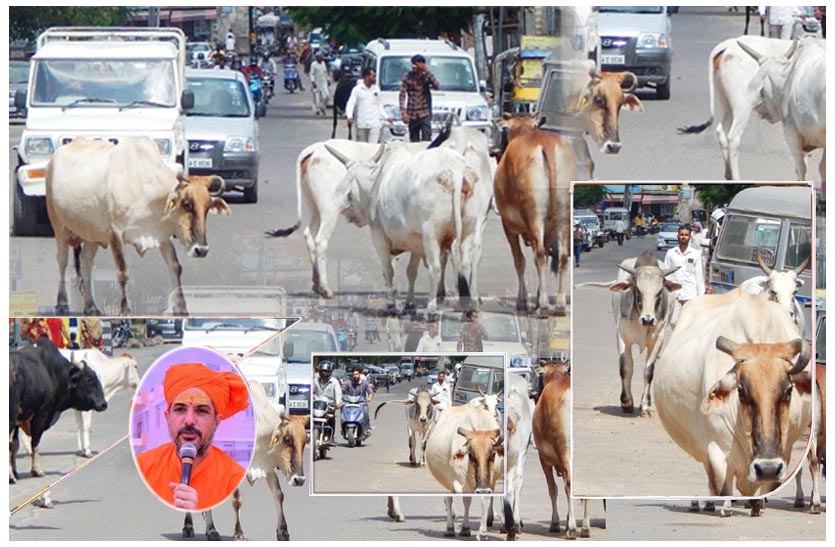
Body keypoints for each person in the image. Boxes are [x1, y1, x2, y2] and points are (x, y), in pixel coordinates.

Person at [136, 363, 249, 511]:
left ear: (217, 421)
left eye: (201, 411)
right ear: (167, 417)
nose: (189, 420)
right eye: (180, 409)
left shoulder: (233, 477)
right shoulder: (145, 466)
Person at [663, 225, 706, 326]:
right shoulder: (671, 253)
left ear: (690, 237)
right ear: (677, 236)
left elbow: (699, 276)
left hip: (690, 294)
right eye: (681, 235)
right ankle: (677, 338)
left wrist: (701, 296)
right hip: (675, 294)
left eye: (686, 235)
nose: (684, 237)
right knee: (673, 321)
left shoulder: (695, 254)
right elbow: (665, 273)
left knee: (689, 323)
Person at [399, 54, 440, 142]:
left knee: (426, 138)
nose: (415, 66)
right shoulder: (407, 77)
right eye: (414, 64)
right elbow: (402, 95)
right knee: (414, 140)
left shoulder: (426, 76)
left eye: (418, 64)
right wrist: (403, 113)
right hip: (412, 113)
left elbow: (437, 86)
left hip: (424, 112)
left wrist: (427, 71)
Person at [345, 68, 392, 143]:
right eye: (373, 76)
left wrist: (386, 117)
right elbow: (351, 103)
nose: (375, 78)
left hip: (375, 123)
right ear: (366, 76)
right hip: (362, 123)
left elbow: (379, 105)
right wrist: (349, 116)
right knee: (362, 146)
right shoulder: (357, 89)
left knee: (373, 146)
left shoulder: (376, 89)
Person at [341, 368, 373, 437]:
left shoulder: (364, 383)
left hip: (361, 403)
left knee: (366, 411)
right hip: (350, 402)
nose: (355, 376)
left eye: (356, 374)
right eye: (354, 374)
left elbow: (370, 392)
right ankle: (343, 426)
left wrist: (369, 398)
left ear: (359, 375)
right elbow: (343, 390)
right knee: (342, 408)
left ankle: (367, 427)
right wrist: (341, 394)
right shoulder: (348, 382)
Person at [309, 51, 330, 116]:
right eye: (320, 57)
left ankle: (322, 107)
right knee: (317, 99)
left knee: (327, 96)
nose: (321, 58)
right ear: (316, 58)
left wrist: (328, 80)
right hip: (316, 82)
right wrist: (313, 82)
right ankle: (317, 110)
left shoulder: (323, 63)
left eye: (322, 57)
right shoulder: (313, 64)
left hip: (324, 82)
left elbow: (325, 72)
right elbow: (311, 74)